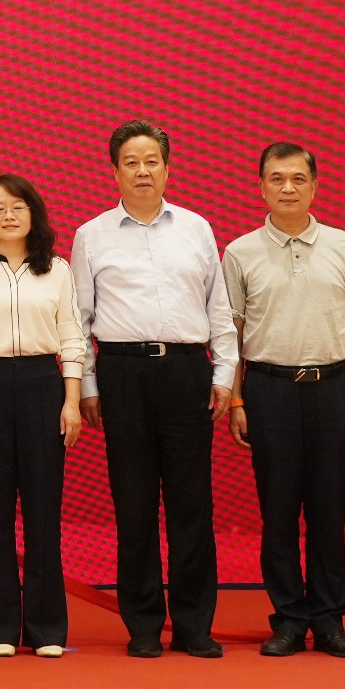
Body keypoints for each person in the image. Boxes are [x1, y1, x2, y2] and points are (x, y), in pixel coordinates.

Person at [72, 122, 234, 659]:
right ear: (115, 171)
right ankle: (142, 624)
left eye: (152, 161)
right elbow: (79, 319)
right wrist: (88, 385)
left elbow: (218, 308)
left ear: (167, 168)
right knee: (134, 502)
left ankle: (194, 625)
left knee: (192, 504)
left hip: (187, 371)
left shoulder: (196, 228)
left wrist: (223, 375)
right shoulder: (92, 235)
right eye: (131, 162)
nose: (142, 171)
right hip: (123, 374)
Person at [221, 144, 345, 660]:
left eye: (298, 179)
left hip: (333, 387)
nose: (288, 188)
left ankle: (330, 620)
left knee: (330, 511)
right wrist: (237, 398)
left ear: (315, 186)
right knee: (279, 511)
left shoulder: (344, 246)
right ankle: (288, 619)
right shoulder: (240, 252)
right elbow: (231, 331)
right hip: (269, 390)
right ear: (261, 187)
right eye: (277, 179)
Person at [0, 174, 85, 658]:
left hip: (42, 385)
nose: (8, 216)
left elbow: (72, 336)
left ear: (33, 214)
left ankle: (47, 628)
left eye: (17, 207)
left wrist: (71, 401)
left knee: (43, 509)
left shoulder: (57, 270)